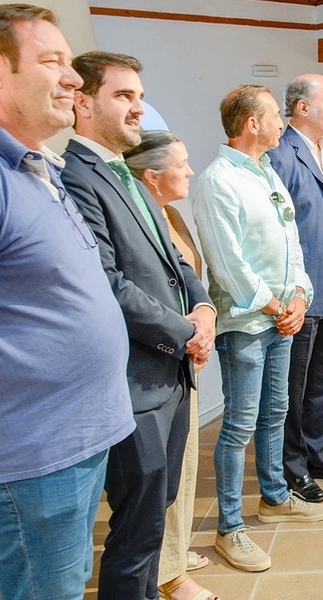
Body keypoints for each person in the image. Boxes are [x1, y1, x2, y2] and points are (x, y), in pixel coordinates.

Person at [0, 4, 135, 599]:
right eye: (52, 61)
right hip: (29, 454)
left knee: (65, 582)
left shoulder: (30, 163)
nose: (73, 78)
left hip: (69, 439)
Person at [61, 51, 216, 600]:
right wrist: (185, 331)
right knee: (135, 527)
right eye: (124, 96)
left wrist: (204, 309)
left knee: (156, 515)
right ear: (83, 102)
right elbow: (106, 283)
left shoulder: (121, 173)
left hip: (168, 374)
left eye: (139, 96)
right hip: (135, 379)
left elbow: (176, 261)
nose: (139, 108)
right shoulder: (77, 178)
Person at [193, 85, 323, 574]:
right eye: (275, 116)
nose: (280, 123)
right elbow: (227, 263)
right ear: (252, 123)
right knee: (238, 426)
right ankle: (230, 527)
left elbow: (292, 245)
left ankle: (274, 497)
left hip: (280, 317)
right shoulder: (217, 181)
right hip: (248, 323)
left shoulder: (267, 171)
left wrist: (300, 297)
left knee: (276, 412)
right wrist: (276, 305)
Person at [124, 131, 217, 600]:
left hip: (186, 362)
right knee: (155, 481)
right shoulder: (129, 219)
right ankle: (169, 574)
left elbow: (190, 281)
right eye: (182, 164)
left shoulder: (171, 214)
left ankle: (173, 556)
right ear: (151, 176)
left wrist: (205, 319)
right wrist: (185, 334)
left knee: (179, 473)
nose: (190, 171)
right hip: (155, 367)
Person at [267, 74, 323, 504]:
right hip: (301, 286)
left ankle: (320, 454)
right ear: (303, 108)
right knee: (294, 382)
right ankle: (293, 468)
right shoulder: (279, 155)